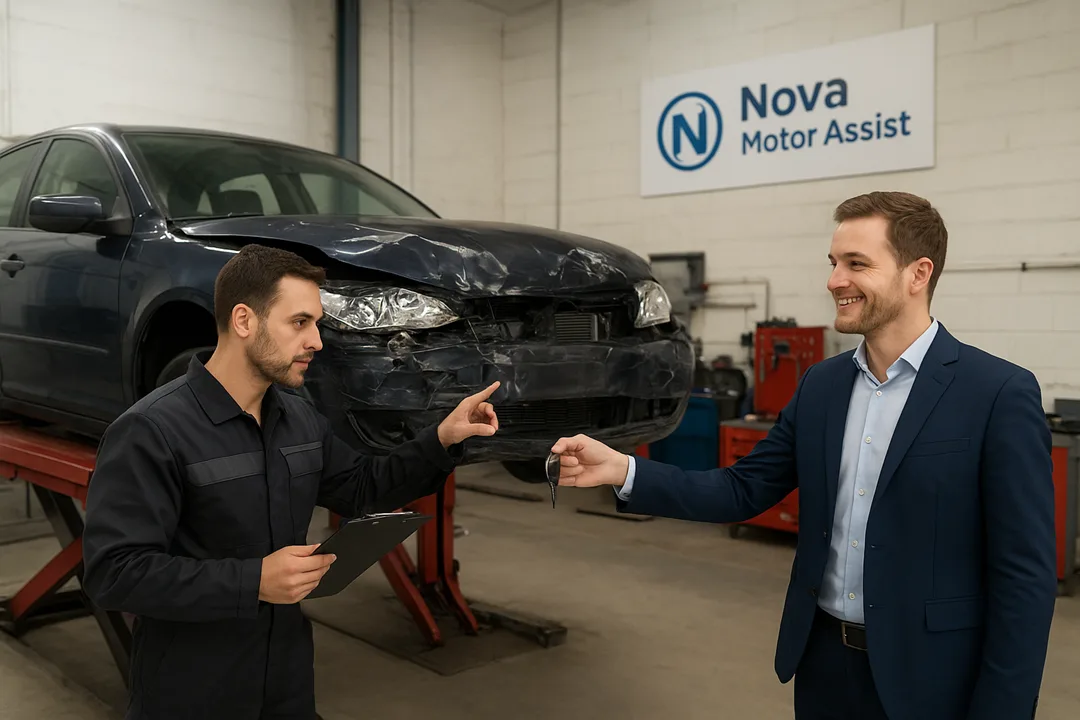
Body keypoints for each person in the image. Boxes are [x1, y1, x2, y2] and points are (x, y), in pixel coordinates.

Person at [551, 191, 1057, 720]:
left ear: (918, 274)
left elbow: (1024, 578)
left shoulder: (996, 393)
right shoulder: (822, 386)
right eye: (834, 263)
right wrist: (623, 469)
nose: (835, 280)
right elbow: (743, 488)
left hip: (933, 678)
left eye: (857, 264)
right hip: (823, 668)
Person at [82, 244, 500, 720]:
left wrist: (442, 439)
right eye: (300, 322)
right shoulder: (152, 431)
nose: (317, 341)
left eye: (316, 323)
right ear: (244, 321)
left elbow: (362, 486)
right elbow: (113, 572)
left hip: (287, 683)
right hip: (191, 692)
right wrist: (253, 580)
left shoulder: (298, 418)